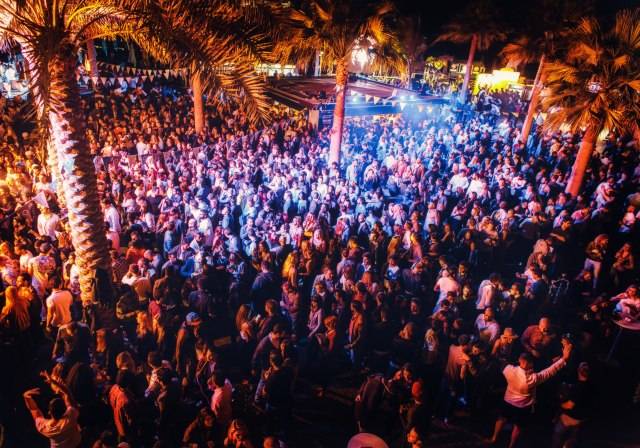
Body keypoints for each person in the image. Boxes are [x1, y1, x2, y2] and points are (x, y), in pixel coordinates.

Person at [489, 339, 572, 447]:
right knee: (518, 427)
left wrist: (503, 347)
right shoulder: (532, 379)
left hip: (508, 402)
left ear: (520, 360)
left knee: (501, 419)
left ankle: (494, 438)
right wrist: (564, 358)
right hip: (523, 407)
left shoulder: (509, 370)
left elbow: (502, 362)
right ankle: (511, 446)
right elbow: (550, 371)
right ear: (529, 363)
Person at [23, 371, 81, 448]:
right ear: (65, 410)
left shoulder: (44, 428)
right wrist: (54, 382)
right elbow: (67, 394)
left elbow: (34, 410)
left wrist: (26, 397)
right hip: (77, 444)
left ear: (49, 412)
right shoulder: (71, 416)